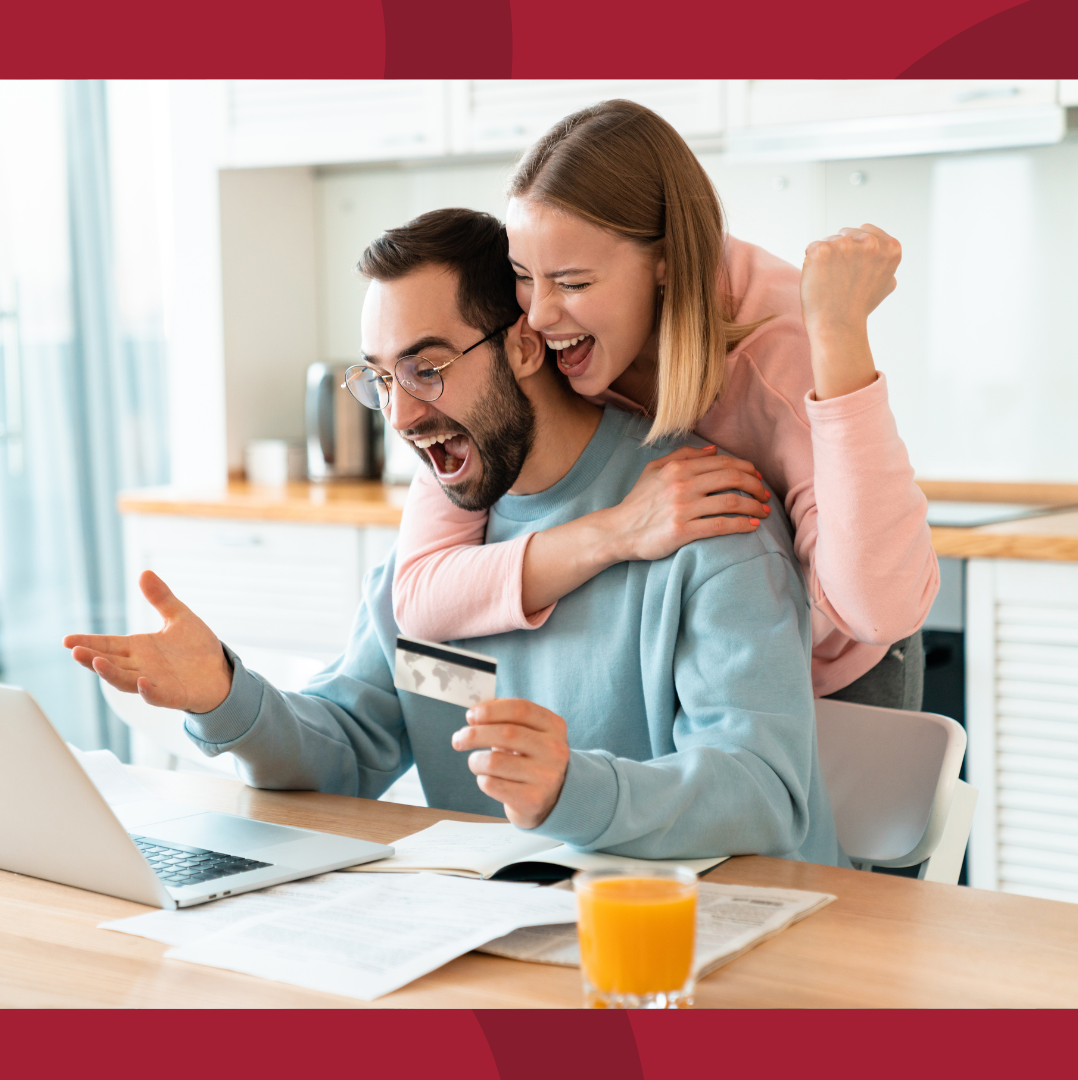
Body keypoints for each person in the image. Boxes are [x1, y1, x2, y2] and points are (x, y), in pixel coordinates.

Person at [65, 209, 842, 866]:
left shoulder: (704, 514)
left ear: (526, 345)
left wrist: (577, 788)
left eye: (426, 369)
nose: (400, 417)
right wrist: (227, 696)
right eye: (380, 379)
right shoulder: (443, 544)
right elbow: (353, 742)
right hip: (507, 939)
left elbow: (765, 794)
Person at [392, 99, 937, 711]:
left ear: (668, 264)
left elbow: (878, 607)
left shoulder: (777, 349)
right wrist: (617, 531)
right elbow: (420, 594)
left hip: (826, 672)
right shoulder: (534, 333)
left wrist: (839, 333)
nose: (539, 313)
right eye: (524, 274)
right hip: (672, 672)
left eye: (573, 282)